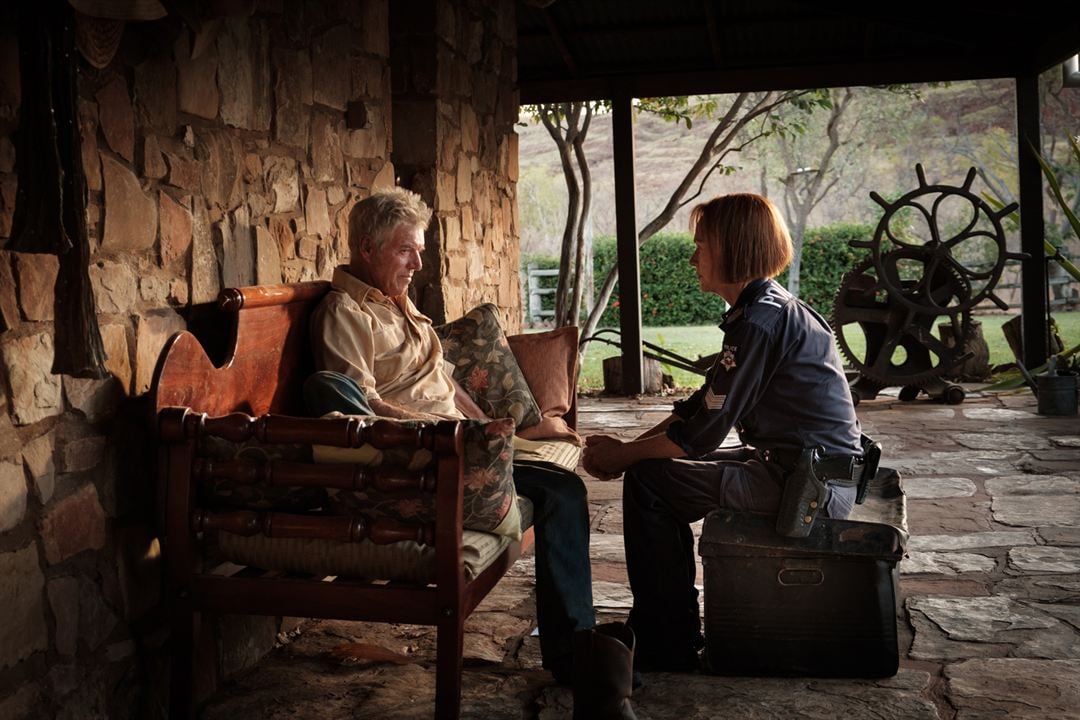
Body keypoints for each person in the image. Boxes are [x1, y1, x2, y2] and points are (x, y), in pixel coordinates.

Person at [304, 187, 595, 683]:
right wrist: (444, 434)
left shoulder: (396, 301)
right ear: (366, 248)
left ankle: (578, 653)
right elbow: (361, 405)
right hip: (418, 460)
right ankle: (577, 659)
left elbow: (440, 378)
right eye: (405, 250)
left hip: (459, 444)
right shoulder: (343, 314)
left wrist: (487, 426)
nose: (418, 262)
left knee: (559, 481)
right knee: (561, 493)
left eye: (420, 249)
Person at [582, 192, 863, 673]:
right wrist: (627, 449)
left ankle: (667, 642)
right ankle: (665, 629)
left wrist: (623, 459)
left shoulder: (760, 320)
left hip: (808, 487)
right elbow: (696, 410)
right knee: (651, 469)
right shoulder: (762, 311)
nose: (692, 257)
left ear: (733, 247)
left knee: (651, 484)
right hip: (799, 472)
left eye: (701, 245)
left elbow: (701, 437)